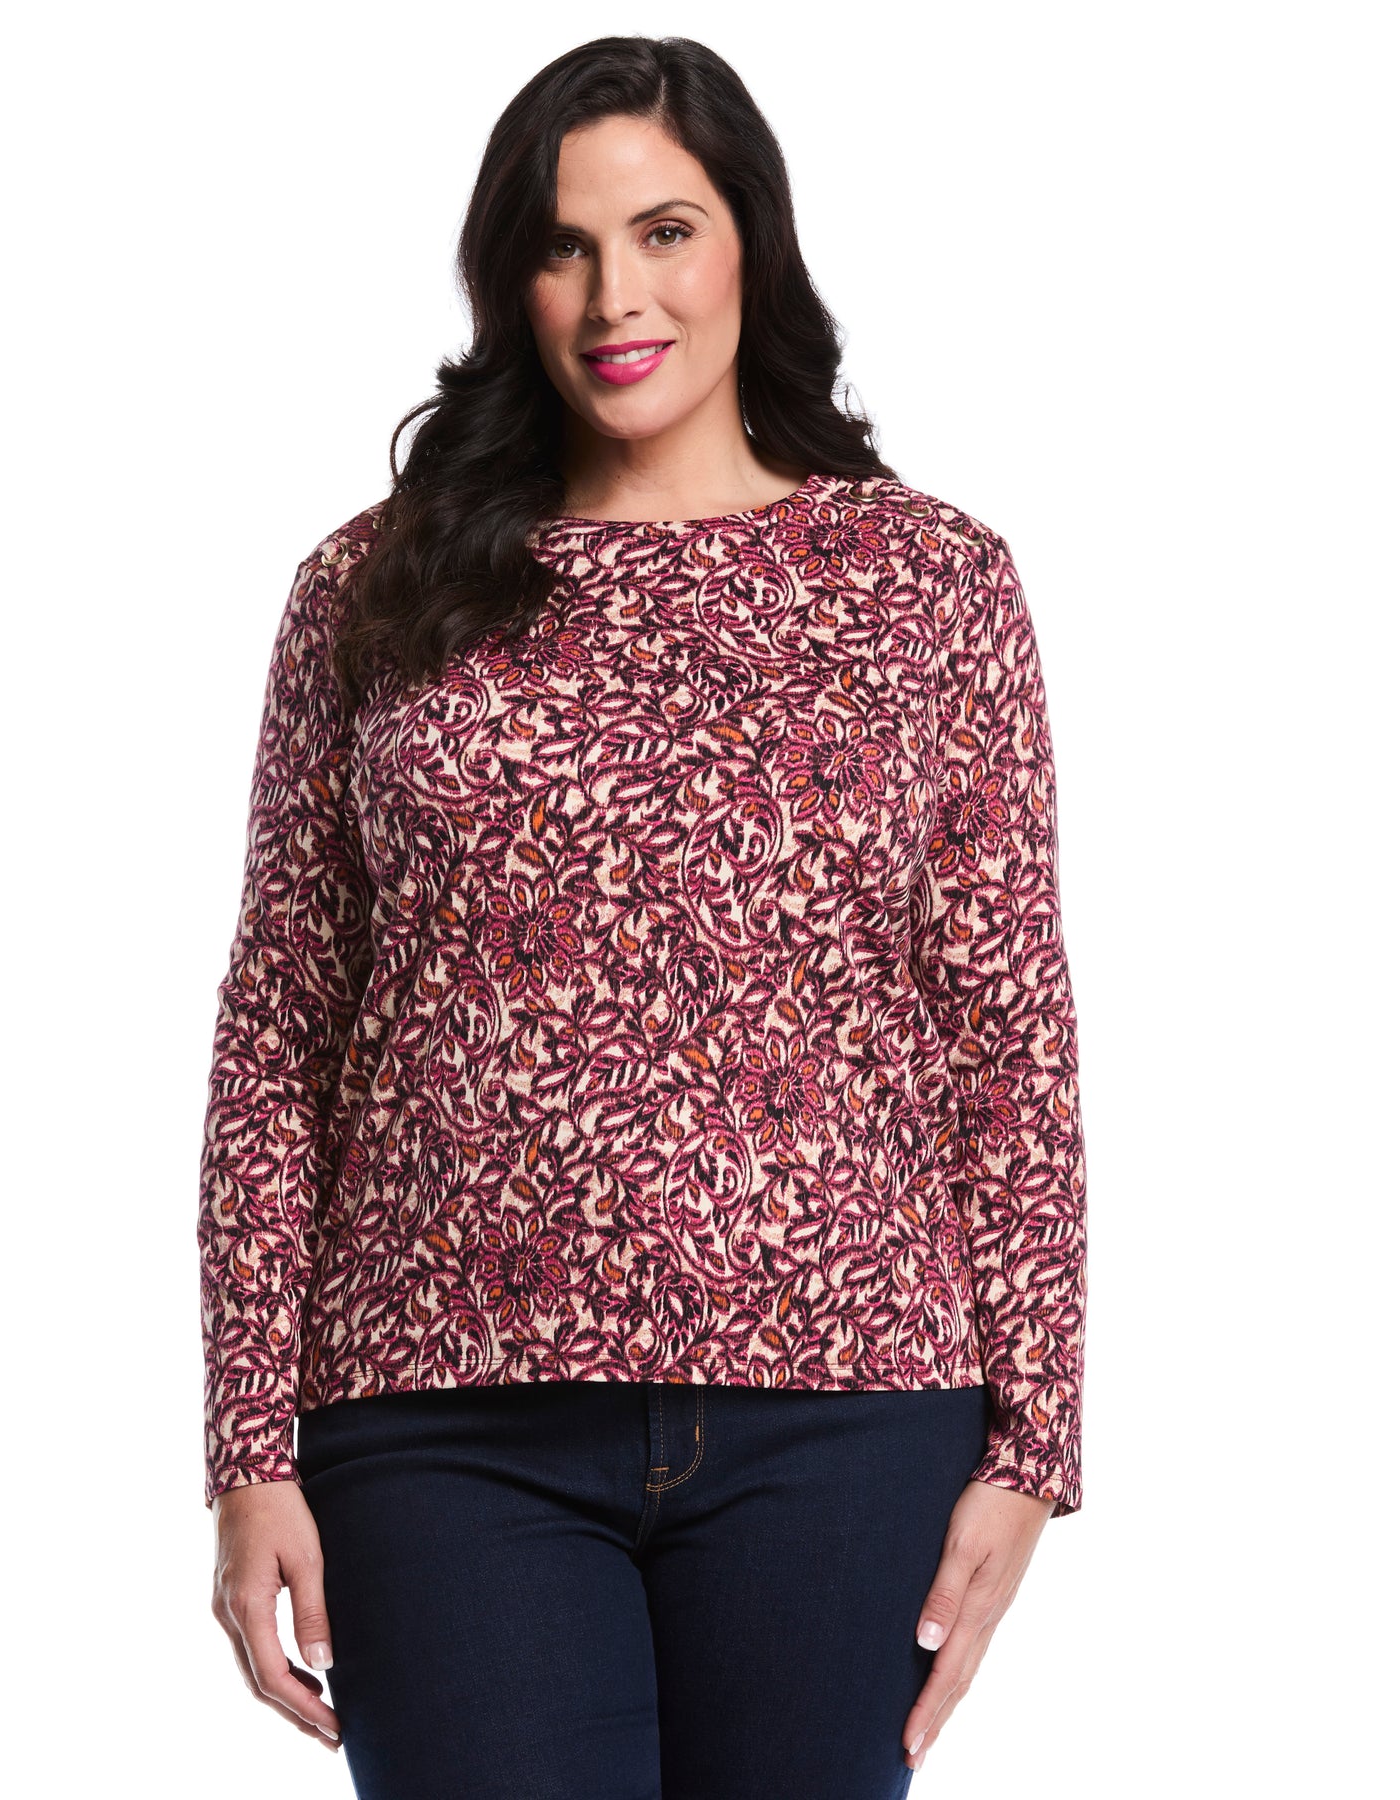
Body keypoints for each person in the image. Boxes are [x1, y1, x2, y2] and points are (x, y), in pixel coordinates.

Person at [198, 34, 1087, 1800]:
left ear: (751, 241)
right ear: (505, 279)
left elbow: (1006, 1027)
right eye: (563, 245)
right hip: (439, 1421)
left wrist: (1036, 1440)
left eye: (665, 232)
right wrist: (244, 1443)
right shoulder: (374, 587)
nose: (617, 295)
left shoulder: (926, 584)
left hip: (844, 1407)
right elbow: (280, 1027)